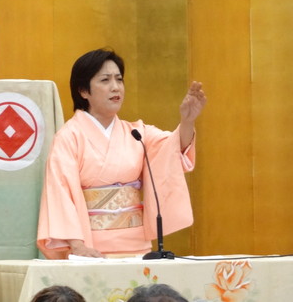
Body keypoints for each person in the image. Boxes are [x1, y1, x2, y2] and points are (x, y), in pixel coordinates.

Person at [37, 48, 206, 258]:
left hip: (137, 245)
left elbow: (173, 148)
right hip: (91, 248)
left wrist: (187, 121)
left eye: (119, 79)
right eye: (105, 80)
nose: (115, 87)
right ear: (83, 91)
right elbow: (60, 193)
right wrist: (78, 246)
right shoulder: (68, 137)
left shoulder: (136, 133)